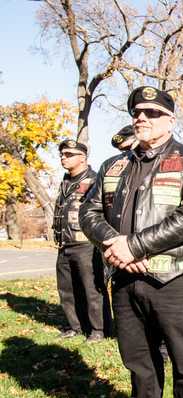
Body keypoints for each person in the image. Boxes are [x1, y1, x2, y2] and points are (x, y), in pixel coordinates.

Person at [80, 86, 183, 398]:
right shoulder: (113, 166)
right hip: (125, 280)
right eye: (137, 112)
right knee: (138, 361)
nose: (142, 118)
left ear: (170, 120)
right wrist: (113, 243)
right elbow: (90, 212)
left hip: (175, 278)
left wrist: (136, 246)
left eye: (153, 113)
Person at [53, 139, 110, 341]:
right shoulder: (65, 181)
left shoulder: (95, 180)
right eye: (61, 154)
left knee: (92, 289)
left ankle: (99, 330)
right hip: (65, 244)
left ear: (83, 157)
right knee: (67, 289)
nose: (63, 158)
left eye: (68, 154)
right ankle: (75, 326)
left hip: (87, 244)